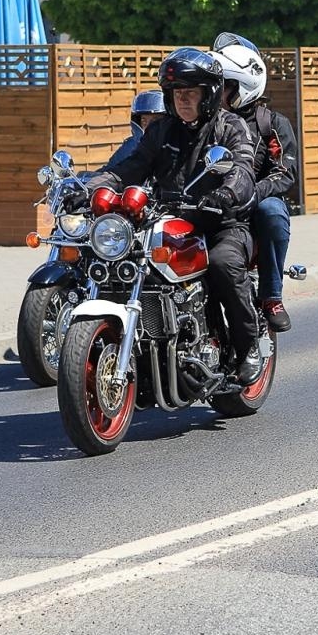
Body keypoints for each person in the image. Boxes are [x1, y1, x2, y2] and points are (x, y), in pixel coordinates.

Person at [89, 47, 264, 385]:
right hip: (168, 220)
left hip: (220, 223)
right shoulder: (161, 131)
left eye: (190, 93)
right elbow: (130, 168)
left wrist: (226, 193)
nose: (182, 100)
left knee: (224, 264)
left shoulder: (231, 127)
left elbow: (242, 170)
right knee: (119, 263)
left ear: (209, 94)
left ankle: (249, 345)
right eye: (176, 93)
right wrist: (91, 186)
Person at [212, 32, 300, 333]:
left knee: (272, 212)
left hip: (256, 199)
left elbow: (285, 172)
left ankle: (271, 295)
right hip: (212, 197)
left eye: (226, 86)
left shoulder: (271, 123)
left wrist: (253, 191)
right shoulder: (205, 121)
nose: (218, 92)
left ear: (245, 85)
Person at [106, 90, 167, 167]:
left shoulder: (177, 145)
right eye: (144, 120)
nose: (148, 125)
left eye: (155, 120)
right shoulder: (131, 146)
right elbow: (109, 171)